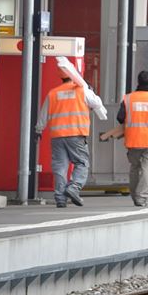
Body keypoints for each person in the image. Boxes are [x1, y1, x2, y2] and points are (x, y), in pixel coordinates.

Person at [35, 69, 92, 208]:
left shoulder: (53, 93)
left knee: (60, 167)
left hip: (57, 136)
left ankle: (60, 198)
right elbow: (95, 104)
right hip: (76, 134)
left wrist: (39, 129)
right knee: (82, 163)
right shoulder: (82, 90)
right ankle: (73, 187)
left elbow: (44, 113)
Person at [116, 70, 148, 208]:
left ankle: (135, 196)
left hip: (133, 140)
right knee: (147, 170)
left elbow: (120, 118)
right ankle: (141, 197)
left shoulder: (128, 99)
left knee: (135, 168)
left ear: (138, 82)